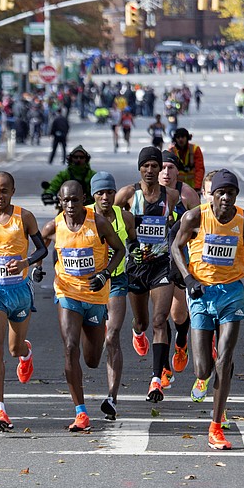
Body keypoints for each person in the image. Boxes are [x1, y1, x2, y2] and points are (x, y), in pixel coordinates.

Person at [172, 169, 244, 451]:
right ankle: (203, 378)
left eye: (230, 193)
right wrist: (188, 279)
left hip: (232, 292)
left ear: (236, 196)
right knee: (203, 368)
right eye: (220, 193)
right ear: (211, 195)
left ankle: (215, 427)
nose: (225, 198)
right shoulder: (195, 217)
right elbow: (175, 247)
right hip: (200, 292)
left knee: (225, 358)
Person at [39, 181, 124, 431]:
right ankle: (81, 412)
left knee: (92, 359)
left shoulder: (98, 222)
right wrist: (35, 267)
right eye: (65, 201)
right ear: (60, 201)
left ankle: (85, 401)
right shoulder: (54, 225)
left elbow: (119, 250)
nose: (70, 205)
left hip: (96, 297)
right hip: (67, 292)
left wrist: (105, 274)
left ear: (83, 199)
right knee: (69, 346)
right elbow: (38, 246)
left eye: (75, 200)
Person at [0, 171, 48, 431]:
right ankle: (0, 409)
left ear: (12, 192)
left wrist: (26, 262)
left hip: (20, 291)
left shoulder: (24, 217)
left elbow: (42, 249)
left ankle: (26, 355)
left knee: (14, 349)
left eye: (4, 191)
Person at [115, 147, 179, 402]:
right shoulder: (128, 194)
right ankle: (137, 331)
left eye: (156, 166)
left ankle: (155, 380)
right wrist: (126, 246)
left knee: (160, 321)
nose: (151, 171)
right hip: (136, 266)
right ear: (139, 168)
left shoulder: (171, 196)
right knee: (142, 322)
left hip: (161, 263)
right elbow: (108, 218)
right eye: (147, 166)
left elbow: (178, 224)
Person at [90, 172, 135, 420]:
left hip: (116, 280)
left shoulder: (125, 217)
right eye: (100, 193)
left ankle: (112, 398)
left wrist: (138, 252)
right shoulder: (82, 214)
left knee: (113, 335)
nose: (105, 197)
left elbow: (135, 242)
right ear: (93, 195)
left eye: (109, 192)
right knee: (92, 349)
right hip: (87, 284)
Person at [160, 150, 201, 388]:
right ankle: (164, 368)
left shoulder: (188, 195)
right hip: (155, 262)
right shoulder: (147, 194)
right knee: (159, 317)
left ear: (177, 171)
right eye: (161, 168)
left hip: (180, 260)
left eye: (170, 168)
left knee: (179, 315)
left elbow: (199, 231)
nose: (165, 173)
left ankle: (182, 342)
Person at [167, 127, 206, 192]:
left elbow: (199, 169)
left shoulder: (195, 149)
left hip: (193, 187)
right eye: (178, 137)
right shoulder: (172, 151)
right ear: (175, 139)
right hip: (176, 187)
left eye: (183, 137)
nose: (180, 139)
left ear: (187, 138)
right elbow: (168, 170)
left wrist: (197, 187)